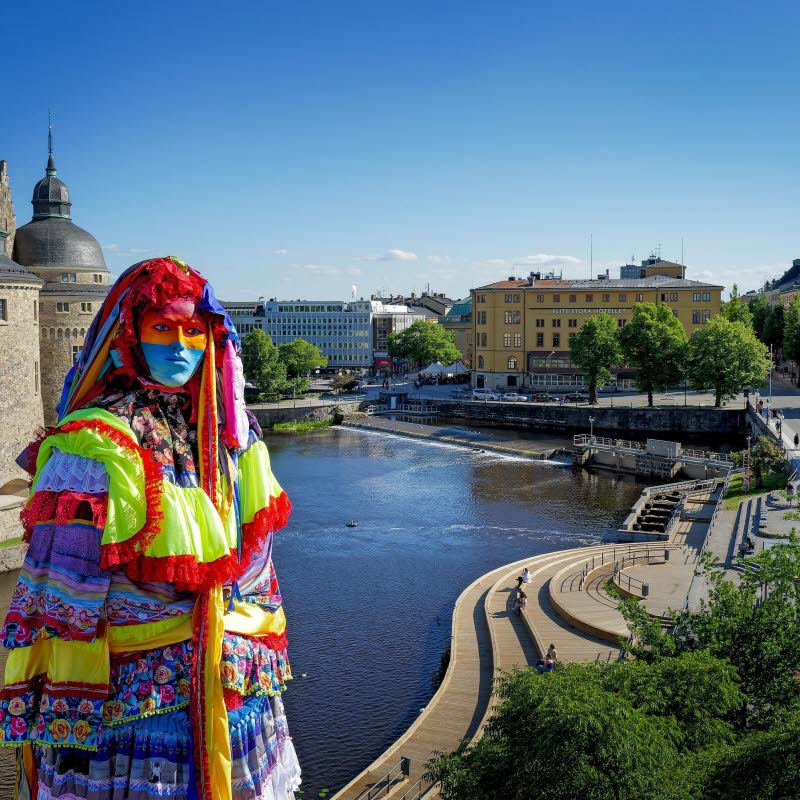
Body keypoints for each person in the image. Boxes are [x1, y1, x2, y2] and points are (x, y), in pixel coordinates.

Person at [0, 258, 301, 799]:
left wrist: (238, 626)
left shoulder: (236, 434)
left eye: (193, 331)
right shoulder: (95, 441)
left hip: (231, 675)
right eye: (162, 328)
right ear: (128, 338)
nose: (181, 346)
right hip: (135, 694)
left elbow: (258, 563)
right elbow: (64, 588)